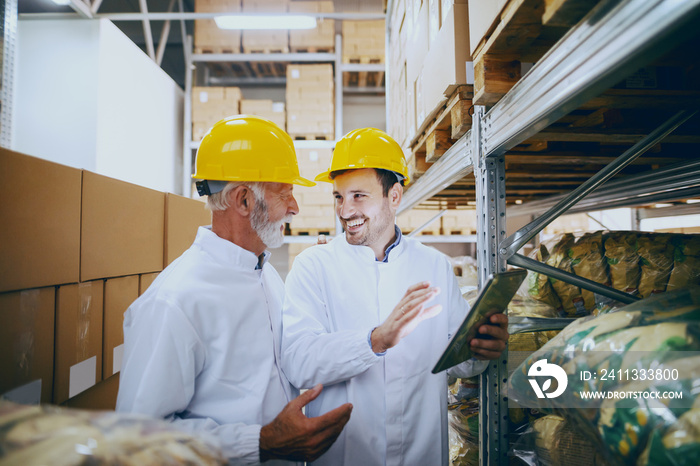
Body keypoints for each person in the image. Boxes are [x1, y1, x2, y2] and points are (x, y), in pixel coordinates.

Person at [116, 115, 353, 465]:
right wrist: (261, 443)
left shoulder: (265, 275)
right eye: (284, 192)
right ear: (243, 200)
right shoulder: (174, 302)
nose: (294, 207)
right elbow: (135, 442)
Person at [280, 128, 509, 465]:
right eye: (339, 197)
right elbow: (298, 361)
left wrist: (484, 348)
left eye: (359, 196)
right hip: (345, 456)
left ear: (395, 197)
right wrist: (375, 340)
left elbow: (460, 360)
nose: (345, 211)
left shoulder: (432, 265)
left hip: (421, 453)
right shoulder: (313, 267)